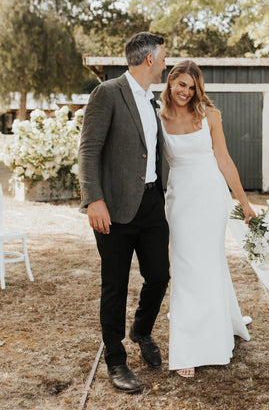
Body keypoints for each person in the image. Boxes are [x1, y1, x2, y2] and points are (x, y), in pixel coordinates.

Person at [78, 32, 170, 393]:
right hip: (113, 208)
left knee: (159, 276)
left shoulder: (150, 100)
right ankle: (116, 360)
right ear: (149, 59)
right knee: (115, 285)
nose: (165, 63)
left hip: (151, 205)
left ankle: (141, 331)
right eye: (163, 57)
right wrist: (94, 199)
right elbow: (88, 151)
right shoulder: (108, 92)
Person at [160, 60, 256, 378]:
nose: (186, 92)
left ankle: (212, 334)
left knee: (210, 264)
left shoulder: (210, 115)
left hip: (212, 197)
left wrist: (244, 202)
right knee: (186, 269)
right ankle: (187, 346)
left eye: (192, 86)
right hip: (180, 200)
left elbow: (224, 160)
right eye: (181, 84)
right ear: (170, 81)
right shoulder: (156, 117)